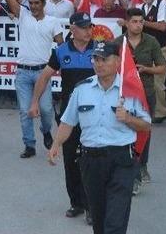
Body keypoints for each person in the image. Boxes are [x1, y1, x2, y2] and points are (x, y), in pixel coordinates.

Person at [47, 41, 151, 234]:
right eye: (96, 58)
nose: (99, 63)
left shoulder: (130, 90)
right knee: (99, 217)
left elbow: (146, 124)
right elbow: (68, 121)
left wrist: (127, 118)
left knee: (116, 218)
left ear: (117, 61)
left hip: (121, 160)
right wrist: (56, 144)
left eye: (104, 59)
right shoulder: (81, 89)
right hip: (91, 161)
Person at [31, 12, 95, 222]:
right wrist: (34, 102)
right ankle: (76, 202)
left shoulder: (99, 50)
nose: (89, 31)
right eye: (84, 27)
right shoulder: (61, 52)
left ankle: (91, 206)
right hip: (70, 114)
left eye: (90, 27)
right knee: (70, 159)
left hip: (94, 115)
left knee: (91, 160)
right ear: (73, 29)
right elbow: (44, 77)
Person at [1, 0, 64, 159]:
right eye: (31, 3)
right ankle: (29, 145)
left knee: (45, 109)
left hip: (42, 73)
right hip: (22, 72)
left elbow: (61, 46)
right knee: (24, 111)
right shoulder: (23, 15)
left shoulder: (53, 22)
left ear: (43, 4)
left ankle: (46, 131)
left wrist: (60, 67)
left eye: (37, 3)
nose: (34, 6)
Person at [114, 7, 165, 196]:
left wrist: (146, 70)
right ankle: (131, 172)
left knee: (144, 130)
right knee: (126, 132)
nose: (138, 25)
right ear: (127, 23)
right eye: (134, 21)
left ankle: (142, 165)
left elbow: (161, 67)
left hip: (146, 93)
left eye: (141, 22)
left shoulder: (151, 42)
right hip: (125, 95)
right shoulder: (118, 42)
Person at [136, 0, 166, 123]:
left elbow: (162, 26)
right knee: (148, 79)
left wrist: (143, 22)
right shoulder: (142, 7)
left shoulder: (162, 4)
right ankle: (152, 109)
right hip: (149, 48)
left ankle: (161, 111)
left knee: (157, 78)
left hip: (163, 46)